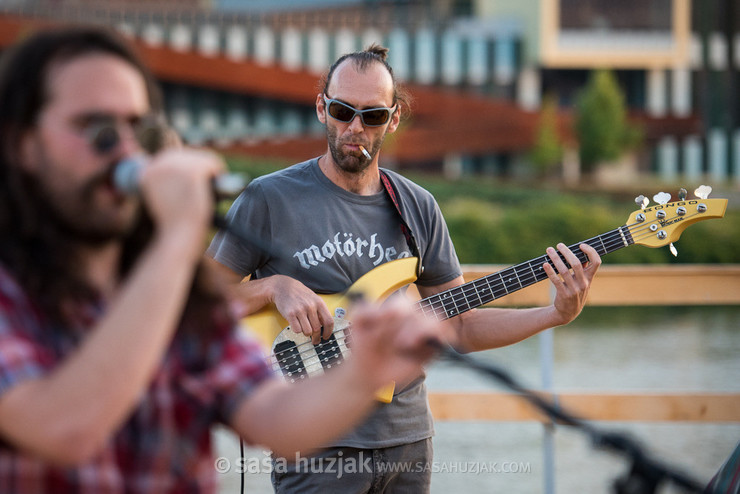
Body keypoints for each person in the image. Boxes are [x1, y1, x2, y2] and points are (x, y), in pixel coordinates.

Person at [0, 27, 441, 493]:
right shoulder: (15, 291)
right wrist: (177, 238)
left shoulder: (168, 292)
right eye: (99, 131)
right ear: (23, 143)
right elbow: (66, 428)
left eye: (141, 131)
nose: (126, 152)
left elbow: (278, 421)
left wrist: (366, 368)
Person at [208, 44, 602, 493]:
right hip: (315, 441)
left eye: (372, 116)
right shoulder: (269, 198)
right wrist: (273, 287)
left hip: (407, 443)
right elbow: (195, 299)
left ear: (393, 119)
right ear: (321, 107)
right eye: (342, 111)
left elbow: (462, 327)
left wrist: (555, 314)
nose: (354, 127)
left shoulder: (416, 206)